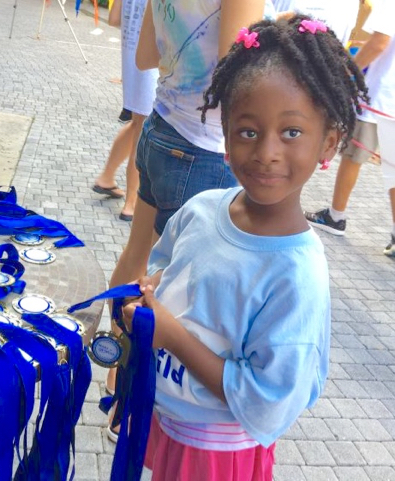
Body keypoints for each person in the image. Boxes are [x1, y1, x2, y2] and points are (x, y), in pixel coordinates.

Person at [120, 15, 368, 479]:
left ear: (328, 144)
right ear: (226, 136)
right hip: (167, 417)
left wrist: (171, 336)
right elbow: (160, 275)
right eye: (248, 131)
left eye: (291, 133)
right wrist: (143, 317)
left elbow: (265, 399)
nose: (266, 152)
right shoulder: (200, 209)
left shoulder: (297, 274)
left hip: (216, 453)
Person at [103, 0, 267, 415]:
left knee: (137, 256)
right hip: (204, 146)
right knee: (169, 287)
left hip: (160, 127)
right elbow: (242, 73)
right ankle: (131, 392)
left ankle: (116, 365)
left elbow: (146, 57)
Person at [304, 0, 395, 256]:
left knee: (352, 158)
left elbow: (379, 43)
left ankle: (336, 216)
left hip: (380, 98)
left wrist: (346, 72)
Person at [92, 0, 158, 221]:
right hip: (153, 60)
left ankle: (107, 177)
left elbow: (114, 18)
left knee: (138, 123)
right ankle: (131, 202)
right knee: (142, 126)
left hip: (134, 53)